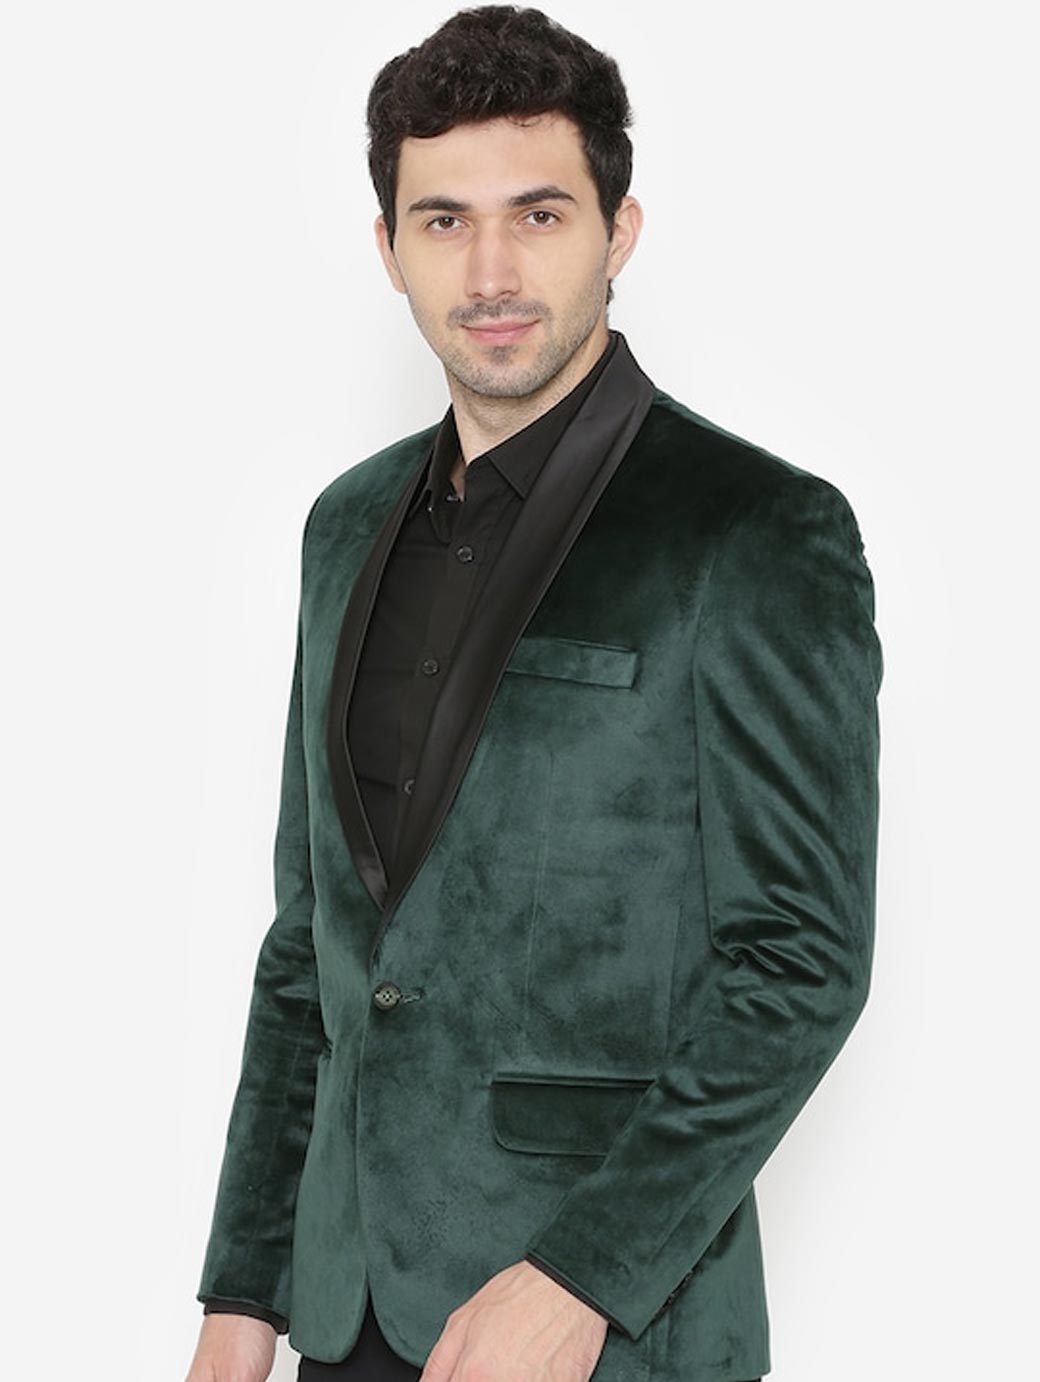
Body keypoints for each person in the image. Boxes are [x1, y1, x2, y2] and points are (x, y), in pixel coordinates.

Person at [184, 7, 882, 1381]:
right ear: (387, 248)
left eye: (540, 215)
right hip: (343, 1315)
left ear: (619, 233)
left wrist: (577, 1279)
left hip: (606, 1331)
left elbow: (800, 964)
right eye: (444, 221)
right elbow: (310, 946)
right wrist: (241, 1298)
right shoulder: (344, 527)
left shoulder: (753, 531)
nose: (491, 271)